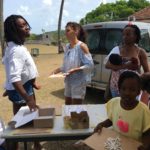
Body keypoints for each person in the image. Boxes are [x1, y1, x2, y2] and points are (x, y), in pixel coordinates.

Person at [3, 14, 41, 150]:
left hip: (25, 88)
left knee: (26, 121)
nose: (26, 27)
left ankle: (35, 144)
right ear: (13, 31)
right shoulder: (16, 51)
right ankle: (16, 146)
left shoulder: (15, 47)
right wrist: (28, 99)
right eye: (22, 26)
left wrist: (32, 82)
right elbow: (14, 77)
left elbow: (17, 70)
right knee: (23, 125)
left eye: (26, 24)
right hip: (22, 92)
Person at [94, 71, 150, 150]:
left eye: (132, 90)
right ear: (119, 89)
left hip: (134, 146)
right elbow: (111, 119)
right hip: (117, 144)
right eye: (123, 89)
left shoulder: (143, 110)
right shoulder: (114, 103)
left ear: (138, 92)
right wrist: (101, 124)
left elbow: (147, 132)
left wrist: (145, 146)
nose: (127, 93)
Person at [50, 22, 94, 105]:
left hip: (78, 81)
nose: (65, 33)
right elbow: (66, 64)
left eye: (68, 30)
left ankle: (77, 118)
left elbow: (90, 65)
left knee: (76, 107)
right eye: (65, 31)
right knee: (67, 103)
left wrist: (76, 69)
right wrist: (57, 70)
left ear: (76, 31)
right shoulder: (67, 47)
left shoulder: (82, 46)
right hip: (68, 80)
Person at [104, 24, 150, 99]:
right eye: (123, 34)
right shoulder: (116, 49)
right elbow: (107, 65)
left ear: (135, 36)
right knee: (117, 108)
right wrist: (125, 66)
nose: (125, 37)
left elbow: (147, 72)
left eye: (128, 34)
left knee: (132, 109)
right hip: (116, 88)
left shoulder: (140, 52)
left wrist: (140, 78)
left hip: (133, 89)